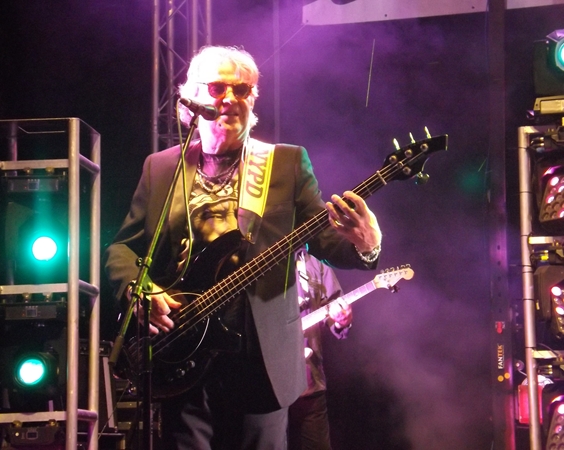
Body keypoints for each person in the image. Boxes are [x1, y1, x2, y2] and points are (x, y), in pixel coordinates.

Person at [104, 45, 382, 449]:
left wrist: (368, 244)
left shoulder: (285, 163)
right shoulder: (161, 167)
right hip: (182, 349)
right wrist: (139, 289)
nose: (230, 98)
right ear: (192, 96)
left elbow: (324, 241)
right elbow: (123, 250)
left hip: (259, 358)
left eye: (242, 89)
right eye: (218, 88)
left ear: (253, 99)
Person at [288, 248, 352, 450]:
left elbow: (335, 311)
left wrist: (342, 320)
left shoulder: (317, 263)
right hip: (269, 387)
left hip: (310, 383)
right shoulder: (260, 259)